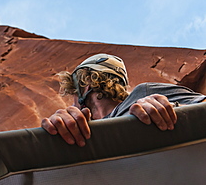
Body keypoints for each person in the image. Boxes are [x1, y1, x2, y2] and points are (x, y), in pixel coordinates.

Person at [41, 53, 206, 147]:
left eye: (73, 94)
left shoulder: (144, 94)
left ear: (86, 83)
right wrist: (56, 134)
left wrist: (174, 110)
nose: (72, 105)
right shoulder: (83, 132)